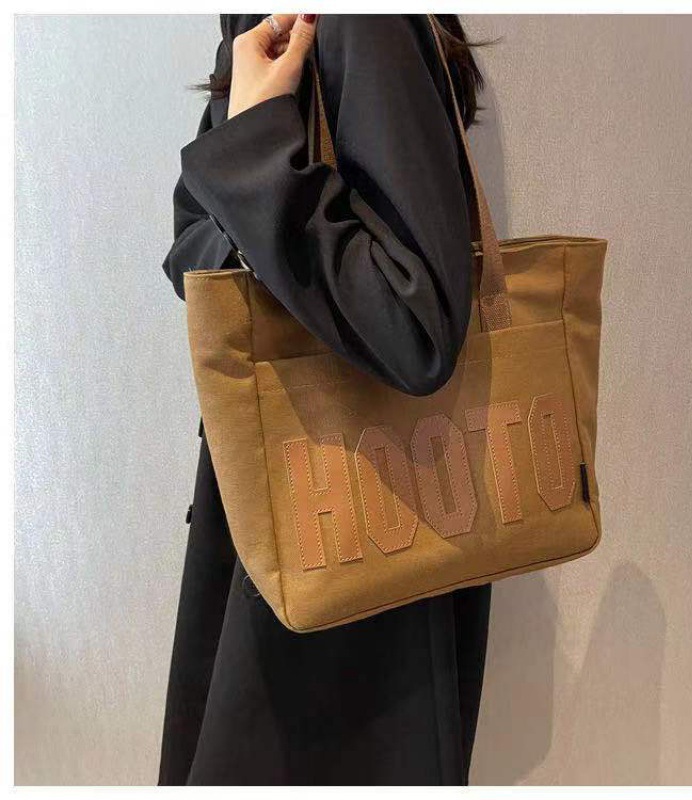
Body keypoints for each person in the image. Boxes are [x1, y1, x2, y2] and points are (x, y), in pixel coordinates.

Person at [159, 13, 493, 785]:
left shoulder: (359, 22)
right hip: (282, 512)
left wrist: (257, 154)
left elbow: (415, 326)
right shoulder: (257, 29)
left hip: (363, 540)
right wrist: (249, 154)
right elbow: (192, 256)